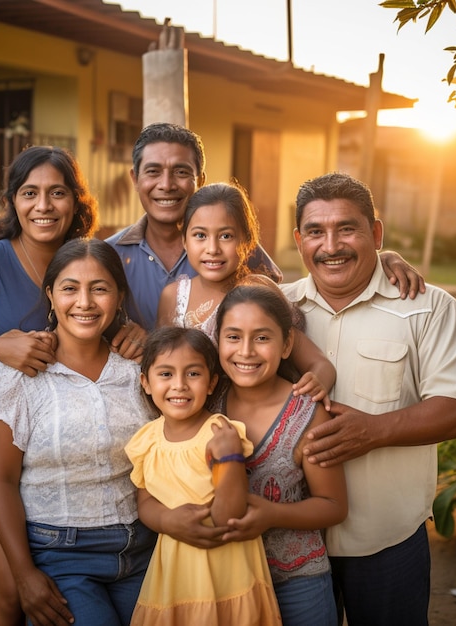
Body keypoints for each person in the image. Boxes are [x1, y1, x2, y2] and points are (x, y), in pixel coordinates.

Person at [0, 146, 145, 625]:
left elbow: (105, 326)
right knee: (11, 588)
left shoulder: (86, 262)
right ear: (12, 201)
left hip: (58, 431)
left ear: (75, 201)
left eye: (57, 193)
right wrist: (0, 348)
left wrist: (134, 333)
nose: (43, 205)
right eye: (30, 193)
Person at [279, 172, 456, 626]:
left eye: (348, 228)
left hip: (387, 542)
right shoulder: (276, 309)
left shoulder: (428, 306)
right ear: (299, 239)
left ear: (376, 233)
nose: (330, 245)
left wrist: (374, 431)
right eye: (316, 231)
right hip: (289, 541)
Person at [0, 238, 158, 626]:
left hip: (143, 549)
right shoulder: (14, 377)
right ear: (50, 295)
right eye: (70, 288)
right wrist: (24, 576)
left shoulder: (140, 372)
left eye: (99, 288)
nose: (84, 302)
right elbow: (1, 482)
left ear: (119, 296)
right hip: (60, 555)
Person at [106, 122, 424, 333]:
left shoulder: (239, 249)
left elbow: (282, 307)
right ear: (135, 179)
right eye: (153, 172)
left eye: (180, 172)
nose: (166, 184)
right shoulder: (111, 256)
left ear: (199, 180)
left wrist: (375, 259)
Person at [125, 326, 282, 625]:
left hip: (229, 572)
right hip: (176, 574)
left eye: (193, 374)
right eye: (166, 374)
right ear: (146, 382)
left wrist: (231, 457)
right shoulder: (146, 440)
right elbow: (144, 501)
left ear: (211, 383)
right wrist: (167, 520)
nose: (180, 385)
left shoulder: (219, 434)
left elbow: (229, 515)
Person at [212, 283, 347, 626]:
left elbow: (334, 506)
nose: (246, 351)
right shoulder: (205, 404)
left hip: (297, 582)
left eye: (262, 338)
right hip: (223, 580)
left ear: (287, 344)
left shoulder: (308, 414)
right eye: (233, 337)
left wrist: (271, 514)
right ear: (217, 341)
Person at [157, 180, 335, 404]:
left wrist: (317, 380)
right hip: (190, 419)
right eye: (200, 235)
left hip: (251, 412)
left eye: (226, 236)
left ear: (248, 240)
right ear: (184, 240)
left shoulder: (256, 292)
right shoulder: (172, 296)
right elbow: (161, 365)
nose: (212, 249)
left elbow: (319, 363)